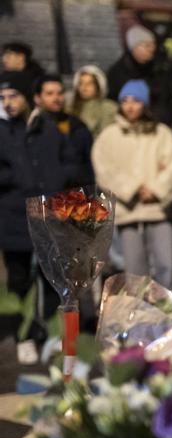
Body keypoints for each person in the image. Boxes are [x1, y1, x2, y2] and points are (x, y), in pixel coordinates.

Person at [1, 73, 81, 360]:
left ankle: (47, 334)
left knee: (51, 278)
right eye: (3, 98)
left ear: (28, 98)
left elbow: (71, 160)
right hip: (13, 218)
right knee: (19, 280)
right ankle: (23, 335)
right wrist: (15, 178)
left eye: (13, 96)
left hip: (48, 214)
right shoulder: (2, 130)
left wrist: (58, 178)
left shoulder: (47, 129)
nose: (8, 103)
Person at [92, 79, 172, 290]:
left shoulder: (162, 134)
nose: (130, 106)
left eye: (135, 100)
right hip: (128, 213)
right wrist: (132, 189)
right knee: (134, 272)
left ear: (145, 103)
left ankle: (170, 314)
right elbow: (105, 170)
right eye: (125, 101)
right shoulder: (109, 136)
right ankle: (139, 316)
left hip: (157, 211)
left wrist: (155, 190)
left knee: (167, 265)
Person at [107, 25, 172, 127]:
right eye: (147, 45)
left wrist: (165, 121)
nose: (152, 49)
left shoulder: (160, 69)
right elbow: (112, 103)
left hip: (158, 127)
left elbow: (170, 100)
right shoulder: (117, 72)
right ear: (135, 47)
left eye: (153, 44)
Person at [31, 74, 94, 185]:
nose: (56, 98)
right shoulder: (33, 129)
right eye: (49, 94)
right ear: (37, 98)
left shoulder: (77, 126)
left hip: (76, 193)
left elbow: (89, 162)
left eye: (60, 93)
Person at [67, 65, 117, 137]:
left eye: (89, 83)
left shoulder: (109, 108)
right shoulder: (70, 109)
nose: (84, 87)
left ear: (98, 85)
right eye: (81, 83)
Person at [1, 42, 45, 106]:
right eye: (3, 56)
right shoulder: (3, 77)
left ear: (21, 57)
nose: (4, 60)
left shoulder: (36, 78)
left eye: (8, 55)